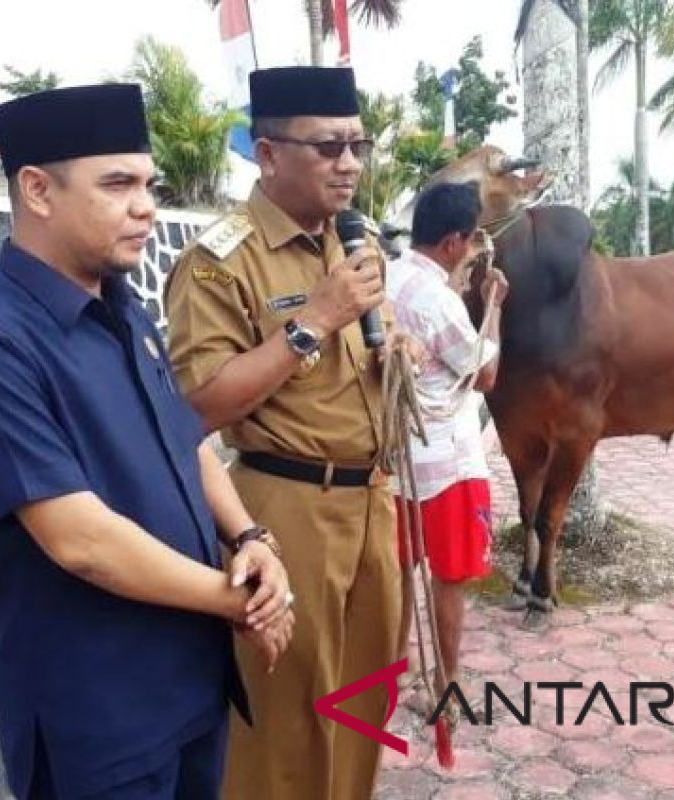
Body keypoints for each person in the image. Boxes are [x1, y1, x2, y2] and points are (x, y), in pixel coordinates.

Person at [0, 84, 294, 800]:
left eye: (149, 184)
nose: (146, 205)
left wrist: (251, 536)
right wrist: (239, 601)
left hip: (190, 689)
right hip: (99, 720)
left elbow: (186, 443)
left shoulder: (124, 309)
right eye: (118, 184)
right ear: (37, 190)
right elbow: (80, 541)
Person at [164, 66, 408, 800]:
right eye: (328, 147)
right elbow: (197, 407)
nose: (350, 165)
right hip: (285, 510)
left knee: (365, 704)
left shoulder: (354, 243)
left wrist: (398, 351)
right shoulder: (218, 263)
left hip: (371, 504)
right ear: (268, 154)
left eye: (357, 145)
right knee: (283, 725)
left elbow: (363, 362)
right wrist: (313, 323)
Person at [386, 181, 508, 700]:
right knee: (448, 577)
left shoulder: (384, 277)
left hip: (390, 465)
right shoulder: (441, 301)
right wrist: (493, 305)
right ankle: (445, 684)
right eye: (475, 238)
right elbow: (486, 376)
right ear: (455, 242)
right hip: (444, 466)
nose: (478, 246)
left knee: (395, 576)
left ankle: (391, 675)